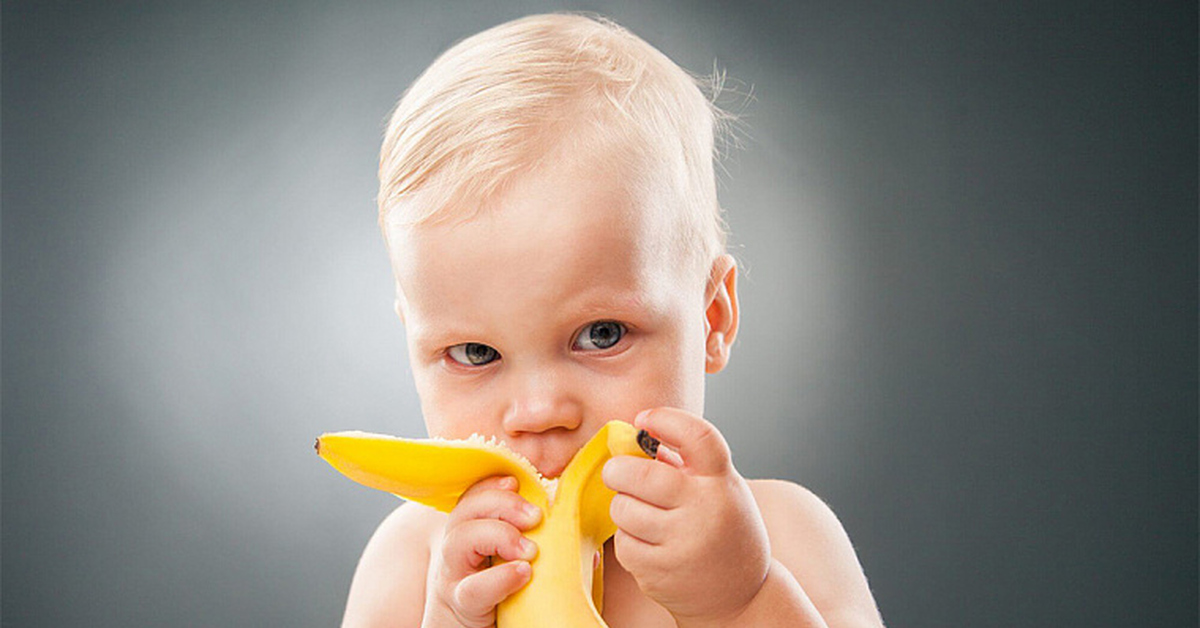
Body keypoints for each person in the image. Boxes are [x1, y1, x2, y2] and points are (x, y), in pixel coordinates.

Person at [345, 12, 884, 628]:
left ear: (712, 317)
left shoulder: (780, 534)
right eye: (474, 353)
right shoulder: (412, 559)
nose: (538, 411)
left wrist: (742, 601)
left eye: (600, 335)